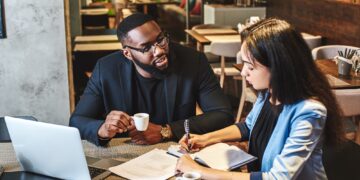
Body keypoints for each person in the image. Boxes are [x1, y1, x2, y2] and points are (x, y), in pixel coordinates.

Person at [176, 18, 344, 179]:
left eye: (250, 66)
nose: (243, 72)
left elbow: (278, 177)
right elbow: (248, 126)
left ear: (278, 66)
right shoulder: (269, 93)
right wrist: (204, 139)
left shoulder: (309, 112)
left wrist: (198, 170)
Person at [69, 13, 234, 146]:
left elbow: (223, 114)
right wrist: (102, 129)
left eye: (161, 39)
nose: (159, 50)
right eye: (147, 47)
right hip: (125, 152)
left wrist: (166, 130)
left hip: (177, 149)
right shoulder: (106, 69)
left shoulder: (193, 61)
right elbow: (77, 121)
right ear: (127, 53)